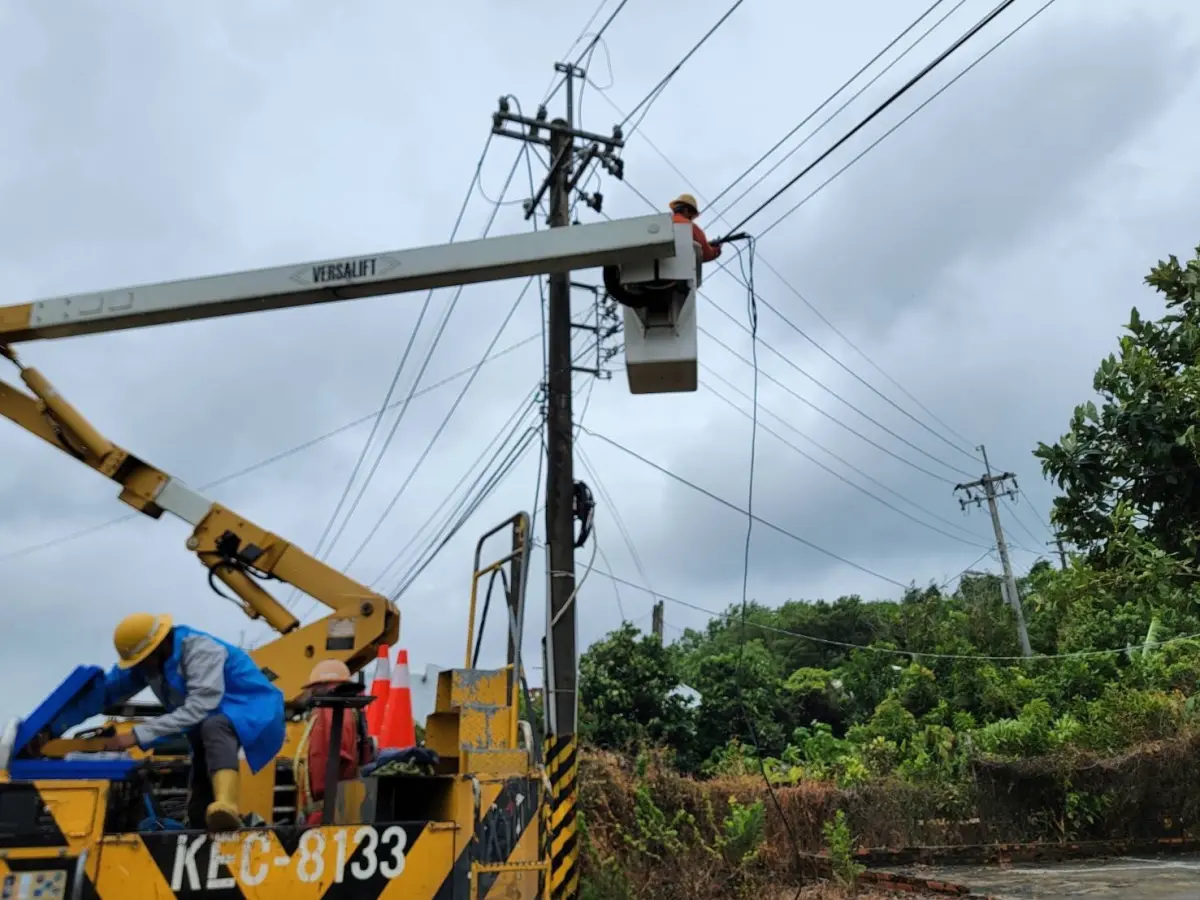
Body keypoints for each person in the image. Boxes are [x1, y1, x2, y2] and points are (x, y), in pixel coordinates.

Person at [50, 612, 285, 833]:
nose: (140, 667)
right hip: (208, 720)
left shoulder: (201, 650)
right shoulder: (150, 663)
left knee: (215, 726)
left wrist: (135, 735)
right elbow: (108, 691)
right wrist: (55, 725)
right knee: (202, 761)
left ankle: (227, 805)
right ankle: (201, 824)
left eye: (143, 660)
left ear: (159, 646)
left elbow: (202, 707)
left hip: (254, 709)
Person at [294, 659, 376, 826]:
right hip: (323, 809)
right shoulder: (329, 712)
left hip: (327, 811)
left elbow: (340, 755)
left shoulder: (330, 709)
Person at [669, 193, 721, 263]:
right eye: (692, 216)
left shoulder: (664, 224)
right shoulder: (691, 227)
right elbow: (706, 254)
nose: (691, 219)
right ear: (686, 211)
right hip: (681, 268)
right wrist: (716, 249)